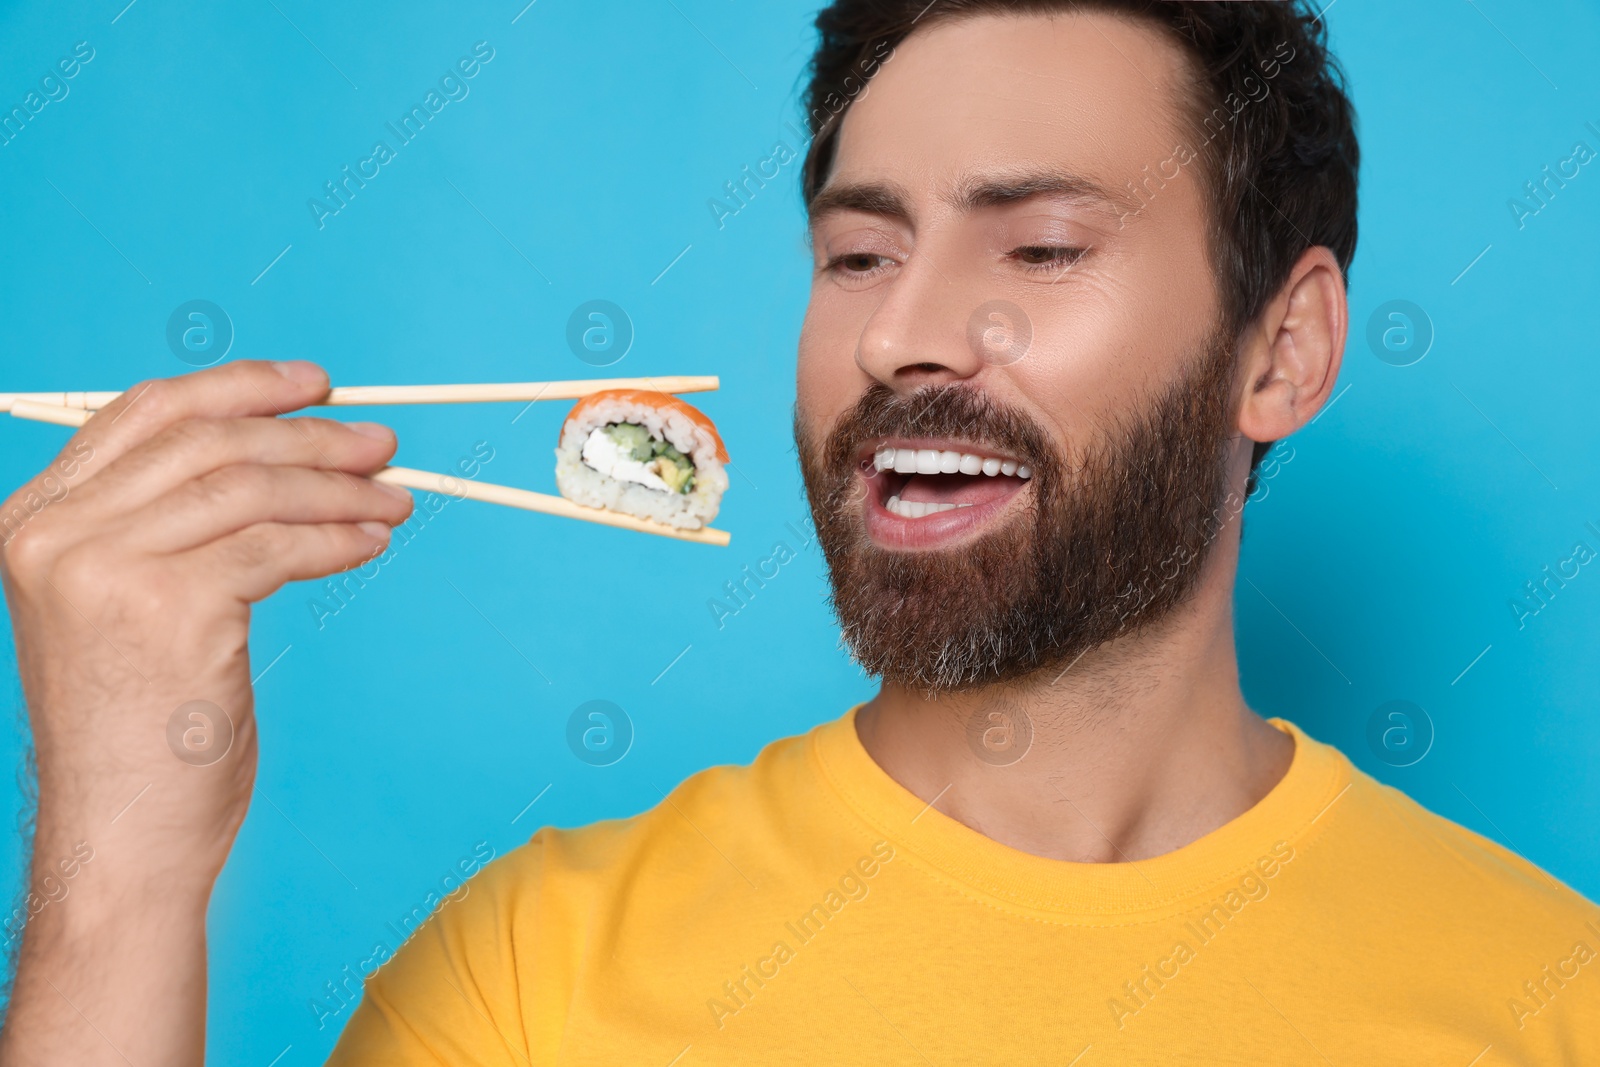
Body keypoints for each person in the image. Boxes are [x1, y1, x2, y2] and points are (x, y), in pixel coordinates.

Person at [2, 1, 1596, 1062]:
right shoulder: (535, 977)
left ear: (1285, 350)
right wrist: (123, 868)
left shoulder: (1552, 998)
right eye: (855, 254)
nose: (904, 334)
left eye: (1038, 249)